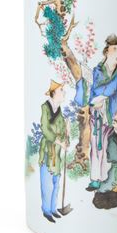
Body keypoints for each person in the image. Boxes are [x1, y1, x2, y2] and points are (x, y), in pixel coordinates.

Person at [85, 34, 117, 191]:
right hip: (98, 114)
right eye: (115, 49)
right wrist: (107, 92)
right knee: (96, 147)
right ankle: (95, 179)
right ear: (107, 51)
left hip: (112, 113)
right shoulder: (98, 70)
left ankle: (105, 178)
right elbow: (96, 90)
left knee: (108, 146)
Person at [38, 80, 70, 223]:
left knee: (56, 183)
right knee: (47, 184)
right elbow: (45, 129)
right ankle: (46, 211)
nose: (64, 92)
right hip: (47, 152)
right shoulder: (46, 108)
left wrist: (66, 135)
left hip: (57, 154)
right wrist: (59, 141)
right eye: (61, 90)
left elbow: (63, 135)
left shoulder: (60, 112)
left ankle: (53, 209)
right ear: (54, 93)